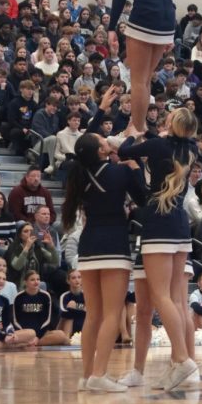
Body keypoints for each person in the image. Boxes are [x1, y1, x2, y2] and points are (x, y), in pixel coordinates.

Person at [115, 107, 200, 389]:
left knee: (161, 296)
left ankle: (182, 359)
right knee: (171, 299)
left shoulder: (160, 144)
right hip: (179, 224)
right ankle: (158, 367)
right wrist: (147, 133)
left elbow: (126, 151)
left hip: (158, 222)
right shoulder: (189, 147)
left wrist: (130, 134)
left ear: (172, 123)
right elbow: (159, 141)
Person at [62, 131, 147, 389]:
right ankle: (99, 375)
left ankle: (87, 376)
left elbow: (86, 146)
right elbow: (144, 198)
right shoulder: (119, 172)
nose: (108, 141)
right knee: (112, 313)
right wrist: (135, 166)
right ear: (101, 151)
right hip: (113, 246)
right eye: (103, 141)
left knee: (93, 315)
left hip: (88, 247)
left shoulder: (79, 174)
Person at [108, 0, 177, 139]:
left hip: (145, 16)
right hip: (167, 20)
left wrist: (111, 27)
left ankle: (136, 132)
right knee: (145, 79)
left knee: (137, 80)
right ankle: (138, 126)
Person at [13, 270, 69, 346]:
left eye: (38, 279)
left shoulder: (45, 296)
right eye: (32, 280)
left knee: (61, 335)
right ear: (25, 282)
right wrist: (24, 334)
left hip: (41, 333)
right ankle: (27, 342)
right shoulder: (19, 297)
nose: (36, 282)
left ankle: (30, 343)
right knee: (27, 334)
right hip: (25, 332)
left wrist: (38, 337)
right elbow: (15, 320)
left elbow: (47, 320)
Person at [58, 269, 86, 337]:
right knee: (69, 315)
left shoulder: (87, 295)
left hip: (84, 325)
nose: (77, 280)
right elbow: (63, 312)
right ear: (68, 281)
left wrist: (75, 307)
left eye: (79, 277)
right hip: (69, 327)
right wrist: (81, 308)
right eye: (73, 278)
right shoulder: (65, 296)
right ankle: (67, 338)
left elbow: (91, 311)